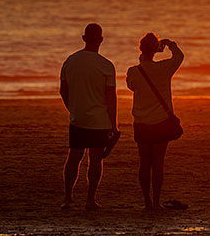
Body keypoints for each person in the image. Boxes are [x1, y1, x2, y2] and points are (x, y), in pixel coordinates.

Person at [59, 23, 120, 210]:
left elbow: (63, 90)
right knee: (95, 159)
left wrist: (73, 109)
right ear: (101, 39)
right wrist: (113, 124)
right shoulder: (106, 65)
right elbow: (111, 97)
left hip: (78, 117)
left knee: (74, 157)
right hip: (99, 119)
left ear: (84, 38)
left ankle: (68, 198)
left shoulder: (70, 61)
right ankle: (90, 199)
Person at [126, 33, 184, 210]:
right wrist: (169, 44)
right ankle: (157, 202)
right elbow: (179, 56)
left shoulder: (134, 71)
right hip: (161, 122)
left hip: (142, 122)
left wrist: (142, 60)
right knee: (158, 164)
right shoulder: (164, 68)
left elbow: (131, 86)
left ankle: (147, 202)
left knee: (144, 163)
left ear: (141, 49)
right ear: (156, 50)